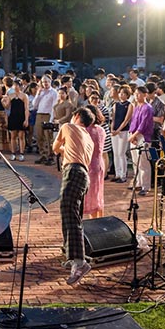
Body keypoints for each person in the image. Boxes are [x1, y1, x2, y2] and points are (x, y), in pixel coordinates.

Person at [52, 107, 96, 285]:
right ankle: (72, 256)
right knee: (73, 215)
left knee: (69, 214)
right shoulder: (89, 139)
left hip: (73, 171)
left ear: (77, 116)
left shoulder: (68, 127)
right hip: (84, 175)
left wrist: (64, 149)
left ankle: (79, 262)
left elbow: (55, 148)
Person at [127, 86, 154, 196]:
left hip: (143, 137)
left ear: (145, 95)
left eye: (138, 94)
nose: (136, 96)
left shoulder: (148, 108)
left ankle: (145, 186)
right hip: (134, 136)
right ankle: (138, 182)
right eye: (135, 94)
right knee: (135, 162)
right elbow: (133, 122)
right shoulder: (137, 106)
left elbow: (143, 124)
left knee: (143, 162)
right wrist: (132, 135)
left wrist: (134, 135)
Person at [83, 105, 106, 219]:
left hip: (90, 165)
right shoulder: (101, 130)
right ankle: (100, 219)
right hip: (99, 163)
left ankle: (94, 222)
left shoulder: (86, 130)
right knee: (98, 193)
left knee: (91, 195)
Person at [33, 76, 58, 165]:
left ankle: (50, 156)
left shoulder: (54, 92)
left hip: (48, 115)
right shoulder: (41, 92)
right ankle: (43, 154)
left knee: (48, 137)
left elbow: (54, 106)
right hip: (39, 114)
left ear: (50, 81)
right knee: (39, 136)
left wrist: (51, 119)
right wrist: (38, 94)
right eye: (43, 82)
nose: (45, 83)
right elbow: (34, 105)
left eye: (47, 81)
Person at [110, 86, 132, 183]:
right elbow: (113, 118)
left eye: (123, 93)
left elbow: (126, 120)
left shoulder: (129, 105)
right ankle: (117, 173)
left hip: (124, 131)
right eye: (120, 93)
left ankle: (123, 174)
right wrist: (112, 129)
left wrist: (118, 130)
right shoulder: (116, 105)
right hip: (114, 131)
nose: (121, 95)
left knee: (121, 153)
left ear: (127, 95)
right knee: (115, 153)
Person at [3, 79, 29, 161]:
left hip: (21, 117)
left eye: (17, 85)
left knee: (21, 136)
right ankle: (13, 153)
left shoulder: (24, 96)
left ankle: (21, 153)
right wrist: (3, 101)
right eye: (15, 85)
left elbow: (26, 108)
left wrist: (26, 119)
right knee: (13, 136)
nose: (16, 87)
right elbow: (7, 107)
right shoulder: (11, 96)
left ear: (20, 86)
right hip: (13, 117)